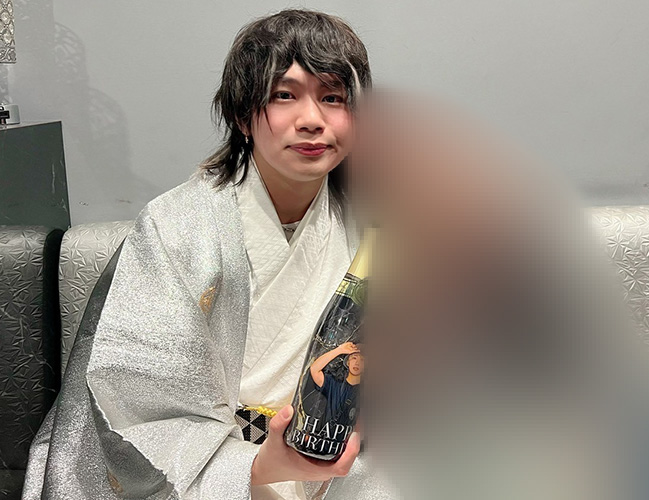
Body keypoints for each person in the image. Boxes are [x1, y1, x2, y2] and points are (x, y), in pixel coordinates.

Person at [22, 9, 394, 500]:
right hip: (206, 471)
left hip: (340, 457)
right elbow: (140, 395)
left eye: (333, 97)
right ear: (242, 115)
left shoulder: (375, 223)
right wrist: (257, 464)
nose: (312, 120)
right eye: (284, 95)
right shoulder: (177, 226)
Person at [309, 342, 363, 427]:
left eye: (362, 360)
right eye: (354, 358)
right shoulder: (333, 383)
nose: (357, 363)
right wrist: (339, 350)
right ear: (348, 362)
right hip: (320, 432)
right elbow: (314, 369)